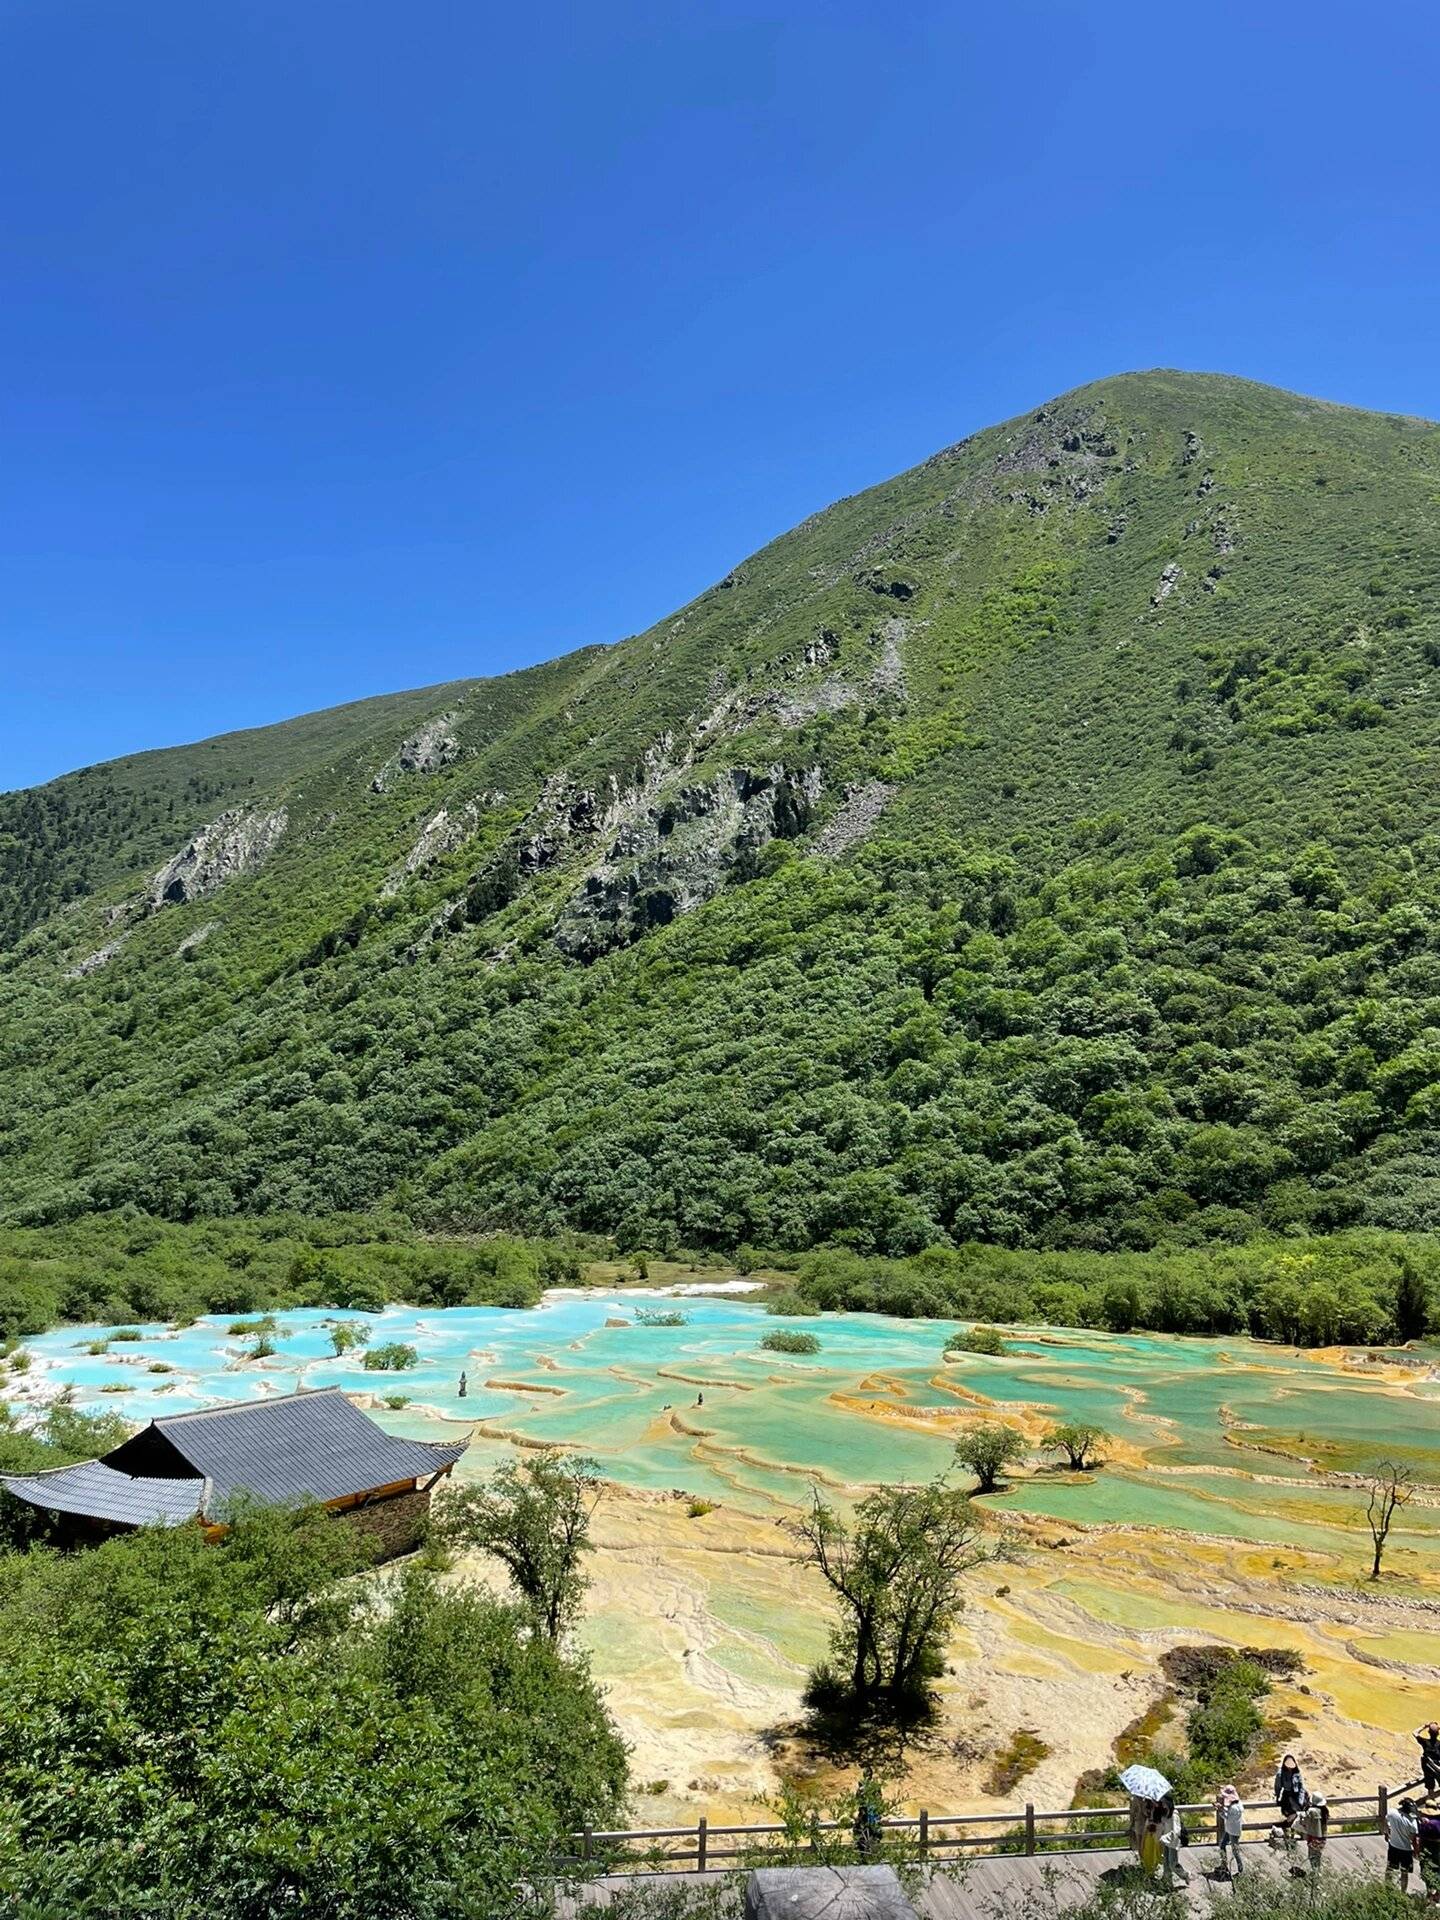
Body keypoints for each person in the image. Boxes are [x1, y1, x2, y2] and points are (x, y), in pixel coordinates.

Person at [1387, 1796, 1420, 1892]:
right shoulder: (1412, 1822)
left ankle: (1386, 1888)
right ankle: (1403, 1892)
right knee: (1404, 1872)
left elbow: (1386, 1821)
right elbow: (1413, 1839)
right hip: (1406, 1850)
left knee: (1389, 1868)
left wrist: (1387, 1834)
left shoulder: (1392, 1813)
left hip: (1393, 1845)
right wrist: (1416, 1852)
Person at [1275, 1754, 1306, 1857]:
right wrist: (1278, 1797)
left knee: (1294, 1817)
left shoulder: (1297, 1773)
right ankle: (1289, 1838)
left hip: (1296, 1798)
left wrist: (1300, 1801)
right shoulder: (1280, 1773)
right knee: (1292, 1816)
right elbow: (1278, 1786)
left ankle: (1290, 1837)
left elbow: (1301, 1787)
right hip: (1287, 1797)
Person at [1157, 1794, 1189, 1890]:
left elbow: (1176, 1831)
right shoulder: (1165, 1812)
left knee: (1172, 1864)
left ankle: (1185, 1874)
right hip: (1167, 1841)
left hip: (1173, 1842)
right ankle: (1168, 1884)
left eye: (1163, 1802)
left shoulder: (1174, 1814)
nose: (1162, 1804)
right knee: (1166, 1863)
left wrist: (1164, 1837)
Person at [1216, 1785, 1244, 1879]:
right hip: (1232, 1829)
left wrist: (1220, 1810)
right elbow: (1229, 1813)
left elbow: (1228, 1818)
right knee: (1223, 1845)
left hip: (1232, 1831)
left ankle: (1240, 1870)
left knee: (1235, 1851)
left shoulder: (1234, 1808)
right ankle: (1224, 1865)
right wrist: (1222, 1808)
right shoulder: (1238, 1804)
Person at [1297, 1794, 1329, 1878]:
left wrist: (1301, 1817)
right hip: (1322, 1838)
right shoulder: (1324, 1811)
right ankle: (1317, 1873)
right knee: (1318, 1856)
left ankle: (1315, 1875)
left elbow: (1305, 1822)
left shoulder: (1311, 1811)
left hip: (1313, 1837)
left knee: (1312, 1856)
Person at [853, 1772, 882, 1861]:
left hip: (871, 1816)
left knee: (872, 1837)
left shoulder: (874, 1787)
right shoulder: (862, 1788)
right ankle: (863, 1856)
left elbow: (879, 1800)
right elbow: (858, 1802)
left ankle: (873, 1856)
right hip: (865, 1817)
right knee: (862, 1838)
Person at [1416, 1811, 1440, 1905]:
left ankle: (1429, 1894)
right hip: (1438, 1848)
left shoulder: (1425, 1823)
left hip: (1427, 1847)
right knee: (1438, 1869)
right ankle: (1438, 1894)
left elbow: (1419, 1836)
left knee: (1426, 1869)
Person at [1418, 1724, 1440, 1800]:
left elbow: (1414, 1733)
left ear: (1429, 1732)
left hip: (1428, 1769)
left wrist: (1424, 1726)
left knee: (1430, 1788)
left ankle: (1432, 1803)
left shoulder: (1425, 1742)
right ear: (1438, 1734)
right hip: (1438, 1768)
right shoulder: (1439, 1744)